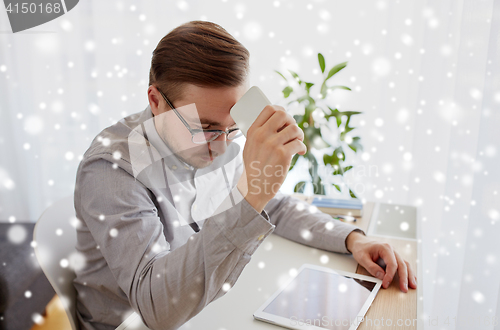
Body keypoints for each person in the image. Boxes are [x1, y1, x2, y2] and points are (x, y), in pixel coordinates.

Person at [73, 20, 417, 330]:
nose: (222, 148)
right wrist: (253, 192)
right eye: (205, 128)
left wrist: (353, 239)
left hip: (203, 304)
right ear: (156, 101)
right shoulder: (111, 170)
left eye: (232, 129)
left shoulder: (212, 138)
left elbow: (275, 206)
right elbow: (158, 309)